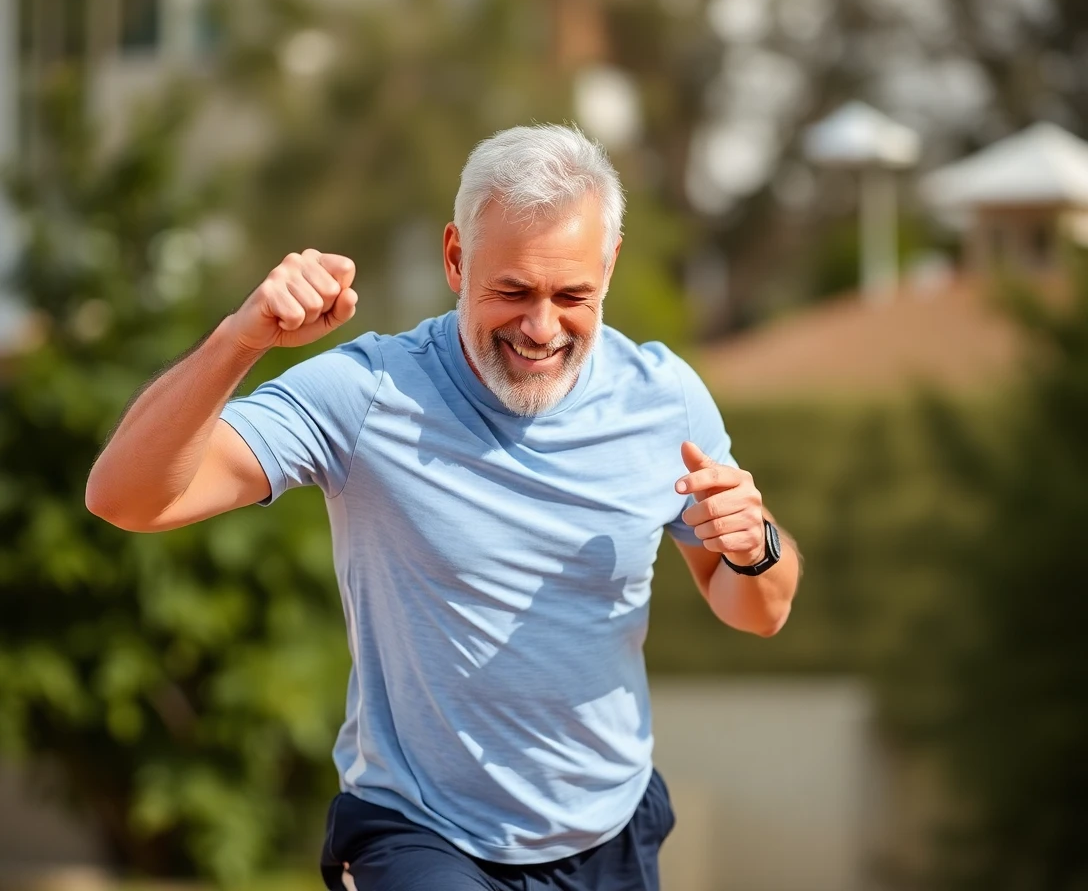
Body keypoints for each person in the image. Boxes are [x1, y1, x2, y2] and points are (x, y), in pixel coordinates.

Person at [86, 124, 801, 891]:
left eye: (572, 295)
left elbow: (759, 609)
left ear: (610, 264)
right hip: (423, 835)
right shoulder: (367, 393)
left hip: (609, 833)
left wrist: (752, 544)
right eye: (513, 291)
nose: (541, 327)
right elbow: (126, 498)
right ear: (456, 259)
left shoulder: (662, 400)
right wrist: (240, 340)